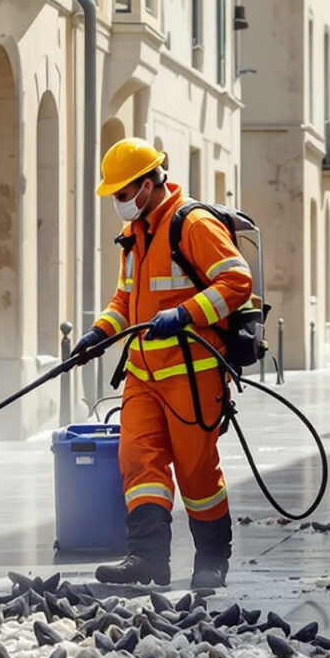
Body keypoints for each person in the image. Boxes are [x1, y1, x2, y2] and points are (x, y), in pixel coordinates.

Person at [77, 139, 254, 590]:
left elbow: (236, 280)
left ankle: (212, 561)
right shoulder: (134, 237)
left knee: (197, 472)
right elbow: (126, 298)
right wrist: (100, 332)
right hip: (143, 374)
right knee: (138, 460)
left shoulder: (191, 223)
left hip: (192, 375)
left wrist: (185, 314)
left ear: (150, 183)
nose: (119, 202)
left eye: (123, 193)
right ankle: (148, 559)